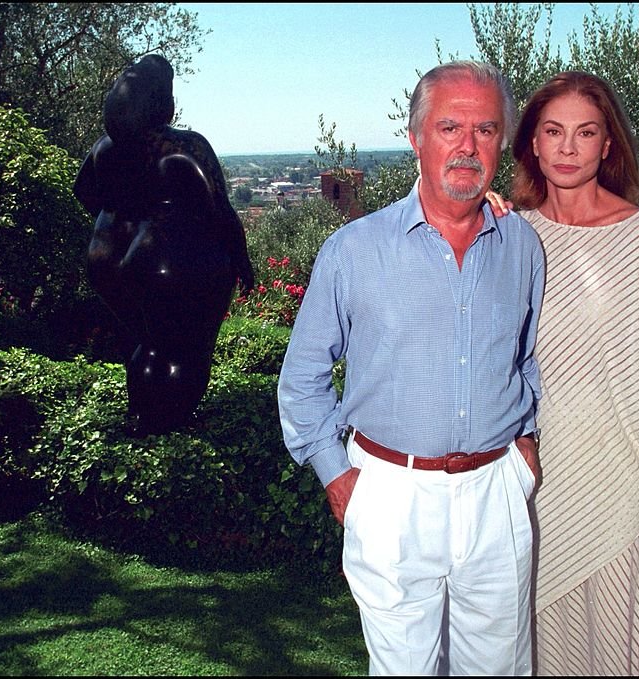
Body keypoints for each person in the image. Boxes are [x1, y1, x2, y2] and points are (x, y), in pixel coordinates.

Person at [278, 61, 545, 676]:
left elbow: (527, 357)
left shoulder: (522, 246)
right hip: (389, 494)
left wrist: (525, 449)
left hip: (496, 493)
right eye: (450, 126)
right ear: (416, 135)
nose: (467, 146)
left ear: (501, 142)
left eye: (485, 130)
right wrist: (334, 473)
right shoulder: (354, 250)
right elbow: (302, 378)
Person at [487, 70, 639, 675]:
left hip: (622, 480)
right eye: (553, 131)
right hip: (533, 481)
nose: (567, 147)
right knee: (532, 649)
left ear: (608, 145)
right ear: (531, 142)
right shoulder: (510, 234)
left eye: (585, 133)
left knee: (615, 653)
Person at [74, 54, 254, 435]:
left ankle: (142, 417)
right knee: (184, 350)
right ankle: (169, 429)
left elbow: (83, 192)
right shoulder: (184, 146)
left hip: (106, 256)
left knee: (144, 342)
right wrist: (242, 262)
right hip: (164, 257)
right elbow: (219, 207)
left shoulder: (103, 148)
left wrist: (122, 215)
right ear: (165, 105)